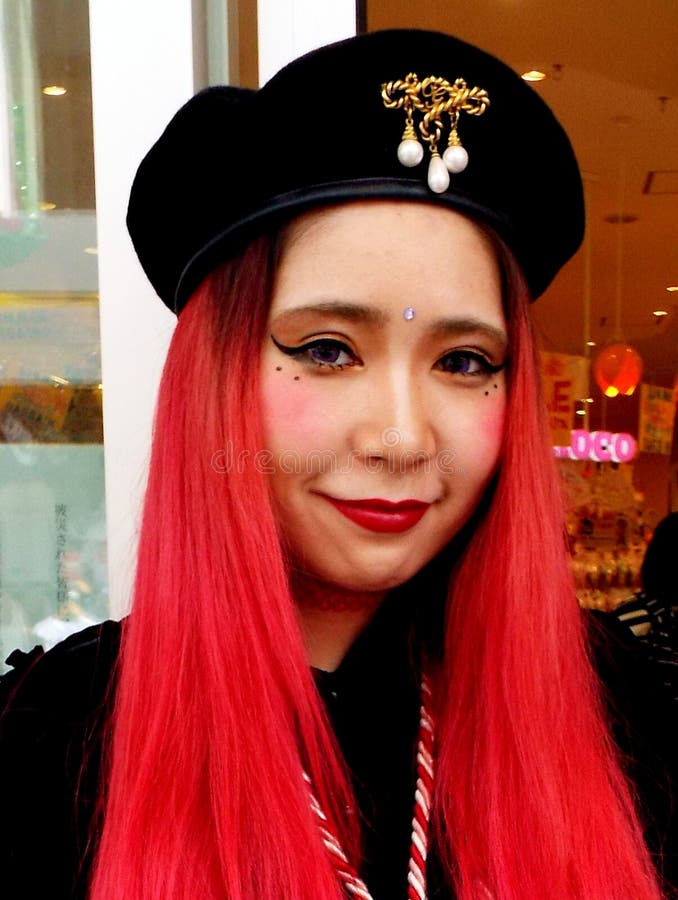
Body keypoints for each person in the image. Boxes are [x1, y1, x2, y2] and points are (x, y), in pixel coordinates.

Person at [1, 29, 676, 900]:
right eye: (326, 349)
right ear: (219, 379)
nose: (401, 438)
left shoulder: (620, 716)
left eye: (465, 361)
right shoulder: (55, 738)